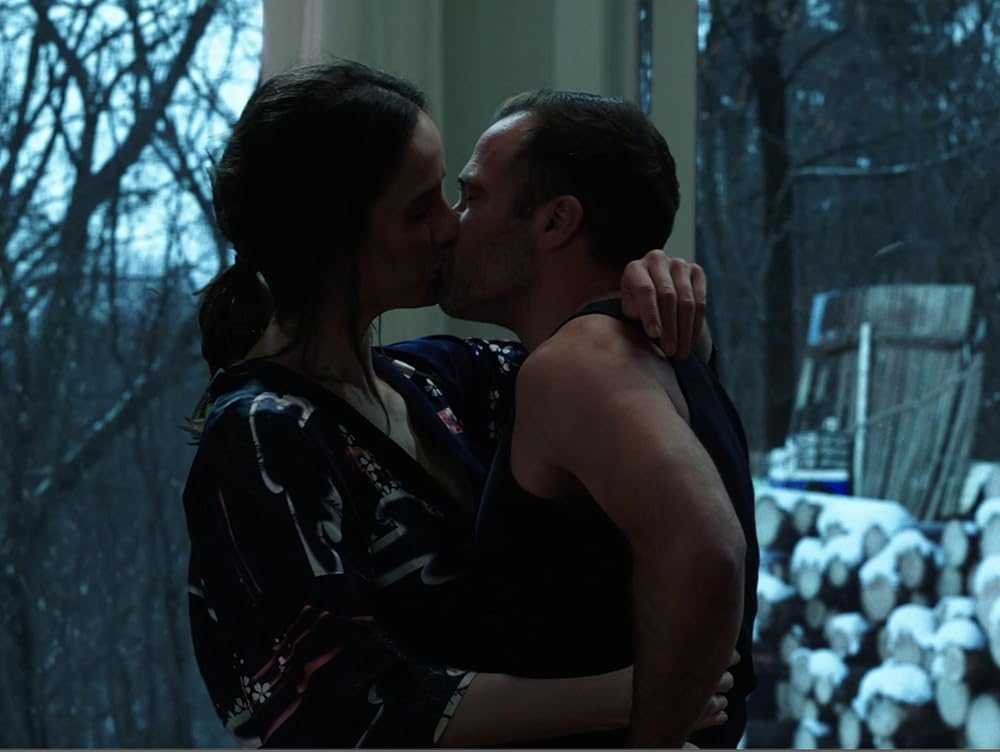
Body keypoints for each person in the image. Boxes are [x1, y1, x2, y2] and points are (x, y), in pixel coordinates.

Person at [184, 60, 726, 748]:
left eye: (450, 195)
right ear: (333, 238)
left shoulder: (442, 379)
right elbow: (327, 706)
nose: (450, 226)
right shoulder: (262, 434)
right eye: (421, 209)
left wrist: (656, 294)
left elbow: (609, 388)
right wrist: (636, 696)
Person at [438, 91, 759, 747]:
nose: (452, 223)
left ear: (555, 221)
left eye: (471, 197)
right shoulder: (649, 351)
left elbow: (709, 553)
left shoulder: (581, 365)